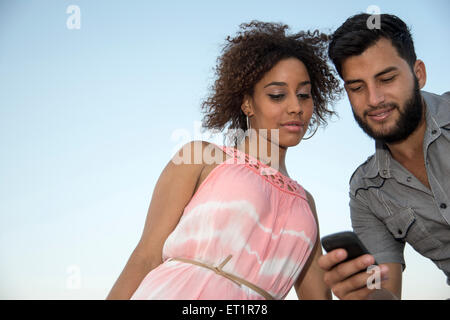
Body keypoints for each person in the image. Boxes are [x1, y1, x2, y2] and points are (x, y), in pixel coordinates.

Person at [106, 21, 341, 300]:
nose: (296, 107)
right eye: (277, 95)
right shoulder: (200, 159)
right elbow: (145, 256)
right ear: (247, 103)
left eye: (304, 94)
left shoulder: (306, 204)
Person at [318, 13, 450, 300]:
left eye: (387, 78)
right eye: (357, 87)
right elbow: (384, 291)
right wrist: (365, 295)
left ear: (419, 73)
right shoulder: (366, 193)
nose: (374, 99)